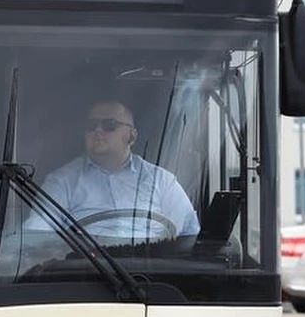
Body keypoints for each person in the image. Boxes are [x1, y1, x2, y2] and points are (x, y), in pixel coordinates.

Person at [24, 100, 200, 240]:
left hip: (151, 273)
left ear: (132, 135)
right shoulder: (61, 181)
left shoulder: (161, 180)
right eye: (91, 125)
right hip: (87, 273)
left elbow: (189, 234)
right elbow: (38, 234)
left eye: (109, 125)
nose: (98, 130)